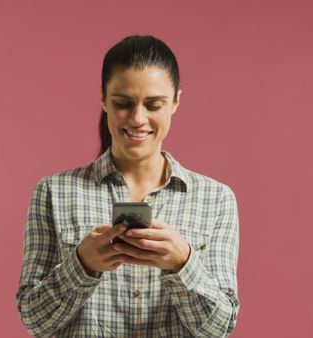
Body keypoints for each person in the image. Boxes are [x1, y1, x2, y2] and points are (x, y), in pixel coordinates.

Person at [15, 34, 240, 337]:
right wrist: (82, 265)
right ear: (103, 99)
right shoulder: (54, 192)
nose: (137, 118)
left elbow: (219, 329)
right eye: (123, 103)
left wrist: (182, 264)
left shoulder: (216, 199)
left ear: (175, 102)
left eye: (154, 104)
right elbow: (35, 319)